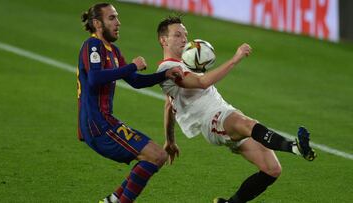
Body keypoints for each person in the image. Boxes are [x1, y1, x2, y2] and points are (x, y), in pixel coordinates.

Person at [156, 16, 317, 203]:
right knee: (247, 123)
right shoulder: (167, 68)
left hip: (224, 112)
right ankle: (295, 147)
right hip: (211, 120)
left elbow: (169, 105)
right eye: (177, 35)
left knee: (272, 169)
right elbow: (202, 82)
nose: (184, 39)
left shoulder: (186, 62)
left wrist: (170, 141)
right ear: (163, 40)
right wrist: (235, 58)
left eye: (185, 34)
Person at [77, 4, 183, 203]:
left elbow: (135, 81)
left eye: (117, 17)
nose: (118, 22)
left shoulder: (113, 51)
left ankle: (113, 200)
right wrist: (133, 66)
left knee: (156, 156)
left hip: (106, 122)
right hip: (97, 125)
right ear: (97, 24)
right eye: (112, 18)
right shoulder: (93, 46)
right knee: (156, 156)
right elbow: (94, 78)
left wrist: (164, 75)